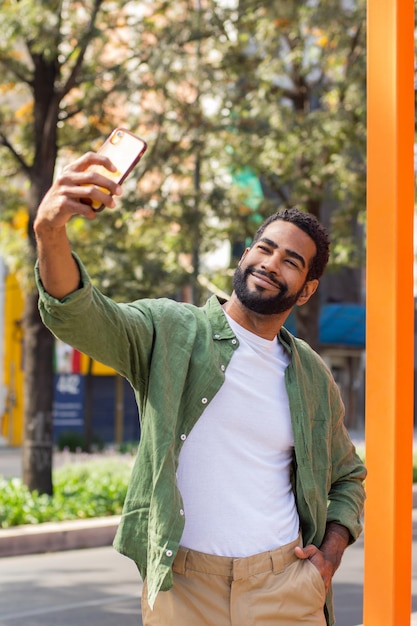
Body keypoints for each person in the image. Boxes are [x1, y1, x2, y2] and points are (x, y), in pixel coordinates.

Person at [34, 150, 366, 626]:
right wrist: (50, 232)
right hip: (183, 589)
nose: (271, 264)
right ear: (246, 253)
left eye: (291, 261)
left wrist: (328, 557)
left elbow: (348, 476)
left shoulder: (310, 373)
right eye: (265, 248)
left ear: (308, 289)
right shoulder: (169, 330)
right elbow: (80, 315)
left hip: (284, 587)